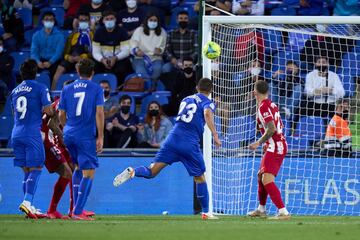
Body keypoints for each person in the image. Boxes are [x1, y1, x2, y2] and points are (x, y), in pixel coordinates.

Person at [113, 78, 221, 220]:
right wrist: (215, 134)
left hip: (172, 140)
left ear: (196, 88)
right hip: (189, 143)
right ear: (211, 90)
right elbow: (207, 113)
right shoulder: (208, 102)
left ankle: (133, 171)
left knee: (151, 171)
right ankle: (206, 213)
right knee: (200, 177)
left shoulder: (186, 99)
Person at [59, 59, 104, 221]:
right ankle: (78, 211)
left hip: (69, 133)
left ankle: (75, 209)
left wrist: (67, 129)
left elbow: (61, 115)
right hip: (85, 135)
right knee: (89, 172)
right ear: (92, 73)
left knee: (78, 167)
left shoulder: (67, 88)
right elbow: (99, 113)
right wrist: (100, 136)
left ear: (78, 71)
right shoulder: (97, 89)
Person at [10, 59, 53, 219]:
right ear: (35, 73)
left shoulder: (14, 91)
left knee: (27, 171)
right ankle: (27, 202)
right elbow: (49, 110)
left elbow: (15, 113)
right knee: (36, 168)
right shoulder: (40, 87)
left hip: (16, 133)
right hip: (31, 132)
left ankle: (30, 206)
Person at [248, 80, 290, 220]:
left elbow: (271, 128)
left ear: (254, 92)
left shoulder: (264, 107)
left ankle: (283, 211)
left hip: (275, 145)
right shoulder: (271, 103)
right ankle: (261, 209)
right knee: (261, 177)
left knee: (267, 180)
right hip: (273, 145)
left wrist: (258, 143)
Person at [294, 56, 345, 128]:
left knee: (340, 116)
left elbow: (342, 93)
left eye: (324, 62)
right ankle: (295, 130)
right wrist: (318, 91)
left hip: (330, 105)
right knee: (300, 111)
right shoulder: (310, 75)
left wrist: (331, 90)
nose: (321, 64)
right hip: (314, 104)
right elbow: (307, 92)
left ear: (328, 64)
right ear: (315, 64)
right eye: (319, 62)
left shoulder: (334, 76)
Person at [52, 12, 94, 90]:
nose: (83, 22)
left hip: (85, 58)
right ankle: (53, 92)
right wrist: (68, 57)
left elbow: (93, 52)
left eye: (86, 20)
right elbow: (65, 51)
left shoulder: (92, 34)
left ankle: (83, 90)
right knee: (59, 69)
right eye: (81, 20)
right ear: (78, 21)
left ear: (89, 22)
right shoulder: (73, 34)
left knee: (82, 67)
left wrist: (82, 57)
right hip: (72, 58)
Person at [92, 10, 132, 87]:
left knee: (122, 68)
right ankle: (97, 89)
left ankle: (119, 88)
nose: (109, 21)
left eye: (111, 19)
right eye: (107, 19)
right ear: (103, 20)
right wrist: (102, 59)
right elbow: (95, 52)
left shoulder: (122, 31)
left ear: (115, 20)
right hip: (103, 59)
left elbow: (126, 51)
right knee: (94, 67)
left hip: (118, 59)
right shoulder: (98, 32)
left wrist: (115, 58)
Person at [130, 12, 167, 90]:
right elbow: (133, 44)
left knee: (157, 70)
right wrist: (136, 51)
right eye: (151, 20)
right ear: (147, 21)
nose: (153, 22)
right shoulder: (139, 30)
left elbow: (163, 47)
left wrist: (160, 50)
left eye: (155, 20)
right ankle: (145, 88)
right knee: (141, 71)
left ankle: (152, 88)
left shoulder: (162, 31)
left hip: (156, 58)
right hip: (140, 57)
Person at [30, 11, 65, 80]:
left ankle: (51, 90)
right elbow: (34, 52)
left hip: (54, 61)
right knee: (30, 69)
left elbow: (59, 53)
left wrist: (50, 62)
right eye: (46, 19)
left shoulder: (60, 36)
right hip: (40, 60)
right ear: (42, 21)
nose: (49, 21)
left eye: (51, 19)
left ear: (54, 22)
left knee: (55, 72)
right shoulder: (36, 35)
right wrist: (38, 62)